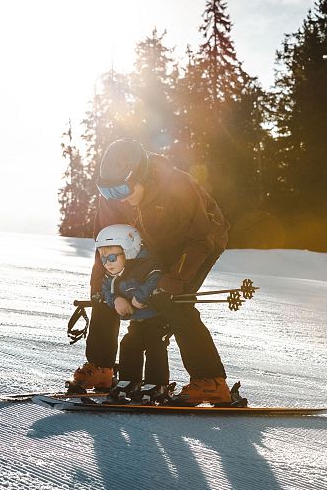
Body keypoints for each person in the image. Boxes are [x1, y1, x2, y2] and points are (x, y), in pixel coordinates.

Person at [70, 139, 231, 404]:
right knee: (108, 287)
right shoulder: (113, 195)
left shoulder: (177, 188)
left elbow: (201, 241)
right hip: (145, 240)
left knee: (172, 301)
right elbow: (107, 245)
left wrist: (172, 281)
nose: (117, 197)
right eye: (108, 191)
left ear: (141, 176)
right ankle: (101, 368)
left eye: (122, 189)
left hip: (198, 240)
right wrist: (100, 284)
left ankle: (211, 380)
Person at [94, 223, 170, 391]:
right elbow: (106, 289)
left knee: (154, 345)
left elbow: (156, 278)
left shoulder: (148, 266)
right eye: (103, 258)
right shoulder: (114, 274)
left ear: (128, 251)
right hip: (137, 321)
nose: (107, 263)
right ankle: (129, 381)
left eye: (112, 257)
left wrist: (141, 297)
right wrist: (115, 300)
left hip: (157, 319)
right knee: (129, 344)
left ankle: (157, 384)